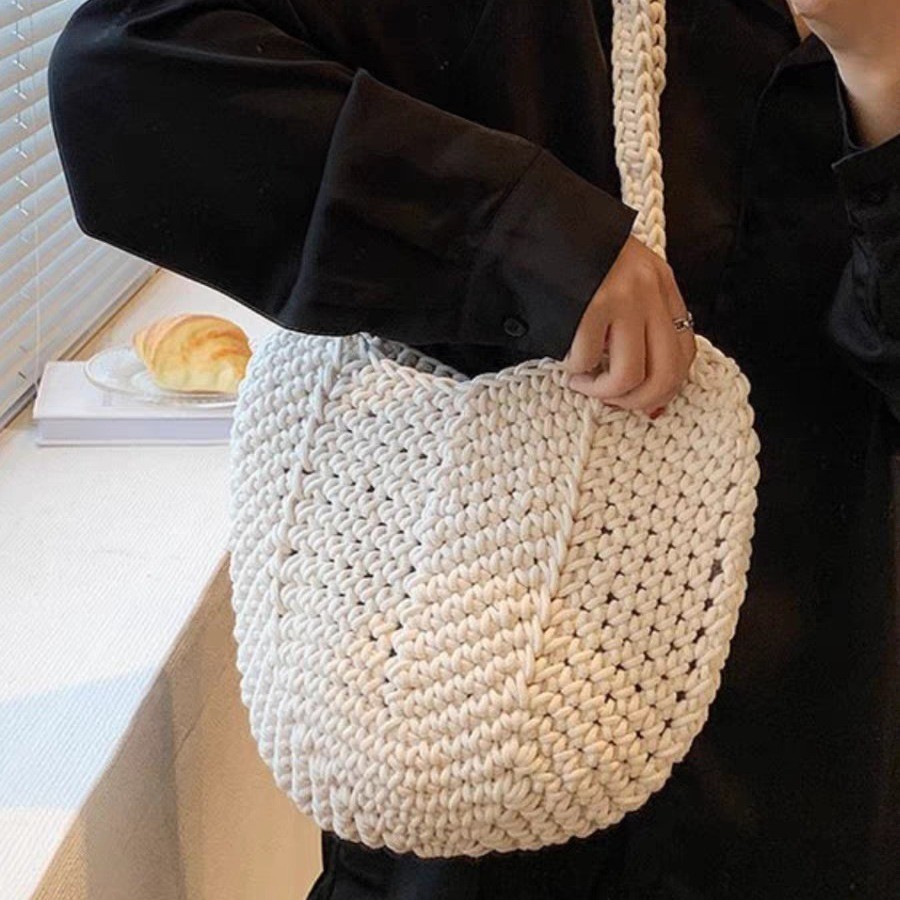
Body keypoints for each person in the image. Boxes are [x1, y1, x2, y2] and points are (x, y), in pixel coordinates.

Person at [46, 0, 898, 896]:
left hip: (804, 750)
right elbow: (121, 76)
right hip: (466, 723)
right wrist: (527, 233)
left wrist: (881, 73)